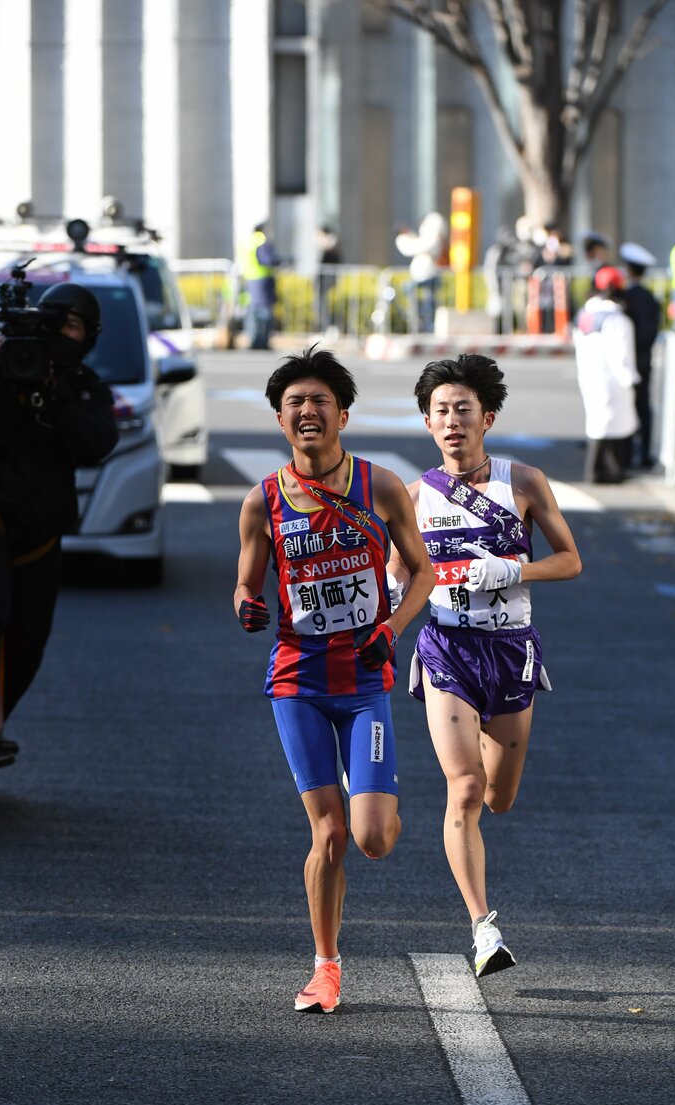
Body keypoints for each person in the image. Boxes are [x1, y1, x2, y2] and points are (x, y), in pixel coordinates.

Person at [235, 346, 434, 1013]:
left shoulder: (380, 487)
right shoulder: (261, 501)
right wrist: (246, 602)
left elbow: (422, 571)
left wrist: (393, 626)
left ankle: (378, 796)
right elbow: (244, 582)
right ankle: (325, 967)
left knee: (372, 837)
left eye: (319, 400)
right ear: (279, 418)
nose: (307, 410)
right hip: (298, 682)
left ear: (342, 414)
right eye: (294, 402)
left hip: (364, 682)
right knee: (329, 833)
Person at [387, 354, 581, 978]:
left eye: (463, 410)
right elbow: (397, 575)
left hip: (512, 650)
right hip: (446, 649)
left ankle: (483, 913)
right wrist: (387, 608)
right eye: (440, 411)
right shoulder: (413, 497)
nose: (452, 421)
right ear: (427, 422)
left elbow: (570, 560)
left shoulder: (523, 482)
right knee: (465, 787)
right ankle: (483, 928)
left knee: (499, 796)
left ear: (487, 418)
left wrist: (513, 568)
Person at [0, 283, 119, 763]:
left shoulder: (85, 387)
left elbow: (95, 444)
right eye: (53, 323)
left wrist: (53, 394)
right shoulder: (0, 367)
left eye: (73, 326)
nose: (61, 334)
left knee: (28, 641)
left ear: (88, 337)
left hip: (41, 532)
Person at [573, 265, 640, 483]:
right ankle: (606, 472)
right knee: (614, 425)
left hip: (589, 376)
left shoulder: (584, 314)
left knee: (597, 423)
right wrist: (630, 378)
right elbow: (622, 355)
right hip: (611, 380)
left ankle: (596, 470)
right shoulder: (617, 319)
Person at [619, 241, 661, 469]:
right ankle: (644, 454)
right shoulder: (650, 298)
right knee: (644, 407)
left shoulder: (627, 297)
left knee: (626, 407)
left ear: (628, 269)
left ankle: (625, 456)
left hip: (628, 361)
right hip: (645, 360)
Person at [395, 212, 448, 333]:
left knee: (429, 304)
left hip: (429, 275)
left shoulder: (433, 241)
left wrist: (405, 240)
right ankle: (420, 323)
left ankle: (427, 326)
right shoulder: (428, 240)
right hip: (422, 275)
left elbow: (415, 247)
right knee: (421, 301)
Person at [238, 221, 281, 350]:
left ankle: (253, 340)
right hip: (262, 280)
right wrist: (279, 261)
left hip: (250, 279)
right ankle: (261, 341)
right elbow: (267, 260)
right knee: (264, 312)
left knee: (253, 311)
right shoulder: (261, 241)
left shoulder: (248, 242)